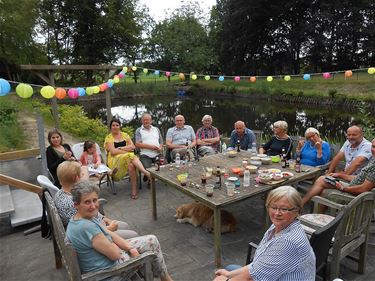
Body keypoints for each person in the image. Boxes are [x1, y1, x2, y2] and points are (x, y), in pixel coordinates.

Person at [66, 181, 173, 281]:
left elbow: (109, 233)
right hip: (109, 273)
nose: (93, 206)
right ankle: (164, 277)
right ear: (76, 204)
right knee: (151, 248)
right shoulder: (86, 227)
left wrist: (130, 248)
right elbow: (115, 255)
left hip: (104, 263)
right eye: (87, 202)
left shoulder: (82, 217)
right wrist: (115, 245)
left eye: (94, 200)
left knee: (152, 240)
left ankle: (164, 276)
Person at [214, 186, 315, 281]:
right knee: (229, 270)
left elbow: (256, 278)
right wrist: (229, 275)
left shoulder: (288, 242)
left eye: (284, 209)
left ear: (297, 211)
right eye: (274, 207)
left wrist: (227, 280)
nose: (277, 213)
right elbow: (258, 266)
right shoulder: (279, 225)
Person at [54, 161, 138, 239]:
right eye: (81, 174)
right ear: (76, 178)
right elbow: (85, 229)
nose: (83, 175)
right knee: (133, 234)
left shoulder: (61, 193)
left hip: (96, 225)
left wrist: (107, 220)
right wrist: (109, 228)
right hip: (94, 237)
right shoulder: (71, 203)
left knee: (124, 225)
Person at [302, 138, 375, 206]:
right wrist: (339, 175)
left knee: (322, 180)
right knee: (324, 183)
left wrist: (342, 188)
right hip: (353, 185)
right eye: (373, 147)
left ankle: (300, 205)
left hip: (355, 194)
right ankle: (317, 214)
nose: (373, 150)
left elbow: (363, 189)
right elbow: (359, 178)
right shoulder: (373, 161)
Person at [104, 118, 151, 200]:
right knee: (130, 155)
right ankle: (146, 172)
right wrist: (126, 149)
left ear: (120, 126)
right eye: (113, 125)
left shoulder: (125, 135)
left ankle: (134, 190)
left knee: (131, 166)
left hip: (127, 158)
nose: (115, 127)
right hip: (115, 161)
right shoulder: (109, 138)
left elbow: (133, 147)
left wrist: (120, 148)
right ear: (110, 127)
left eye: (117, 125)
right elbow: (113, 152)